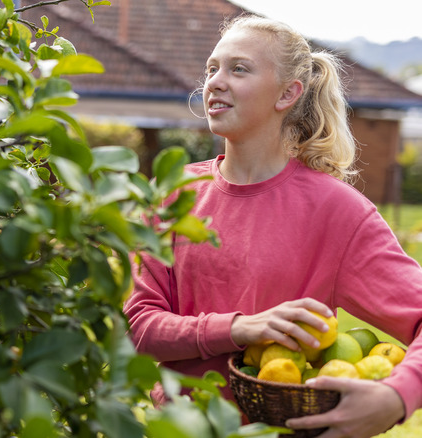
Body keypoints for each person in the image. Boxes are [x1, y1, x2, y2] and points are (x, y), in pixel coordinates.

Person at [123, 14, 422, 438]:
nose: (215, 82)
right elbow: (138, 327)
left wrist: (397, 395)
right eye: (212, 69)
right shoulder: (175, 193)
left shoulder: (337, 212)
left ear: (288, 93)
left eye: (238, 69)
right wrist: (241, 328)